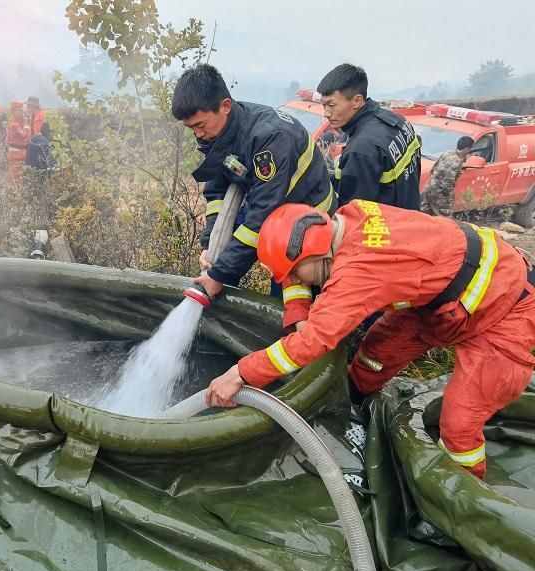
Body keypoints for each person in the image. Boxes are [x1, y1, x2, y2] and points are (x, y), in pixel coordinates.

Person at [207, 200, 535, 479]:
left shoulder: (359, 270)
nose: (290, 282)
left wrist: (239, 374)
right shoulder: (348, 218)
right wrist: (297, 316)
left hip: (505, 310)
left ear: (315, 254)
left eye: (294, 273)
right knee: (373, 357)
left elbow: (314, 343)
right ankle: (354, 416)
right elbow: (300, 288)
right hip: (439, 298)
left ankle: (464, 501)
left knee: (459, 425)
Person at [171, 64, 334, 331]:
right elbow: (216, 192)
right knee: (284, 297)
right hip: (277, 214)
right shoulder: (221, 131)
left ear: (224, 105)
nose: (198, 134)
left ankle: (305, 346)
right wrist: (211, 242)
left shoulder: (269, 138)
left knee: (294, 297)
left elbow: (261, 216)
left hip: (312, 226)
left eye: (200, 125)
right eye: (191, 129)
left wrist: (219, 275)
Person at [318, 64, 421, 210]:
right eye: (324, 106)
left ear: (357, 101)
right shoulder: (397, 121)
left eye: (332, 105)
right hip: (409, 218)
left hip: (384, 228)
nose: (326, 113)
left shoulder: (361, 150)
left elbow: (353, 214)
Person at [421, 136, 475, 217]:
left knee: (424, 216)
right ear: (467, 149)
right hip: (440, 195)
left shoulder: (447, 153)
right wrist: (449, 199)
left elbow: (433, 169)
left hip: (429, 189)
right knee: (444, 219)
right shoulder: (456, 162)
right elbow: (447, 184)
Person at [6, 101, 30, 183]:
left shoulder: (19, 122)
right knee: (15, 176)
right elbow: (24, 135)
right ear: (14, 111)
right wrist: (27, 125)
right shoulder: (14, 124)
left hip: (21, 153)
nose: (22, 112)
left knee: (20, 176)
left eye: (21, 110)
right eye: (19, 110)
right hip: (16, 153)